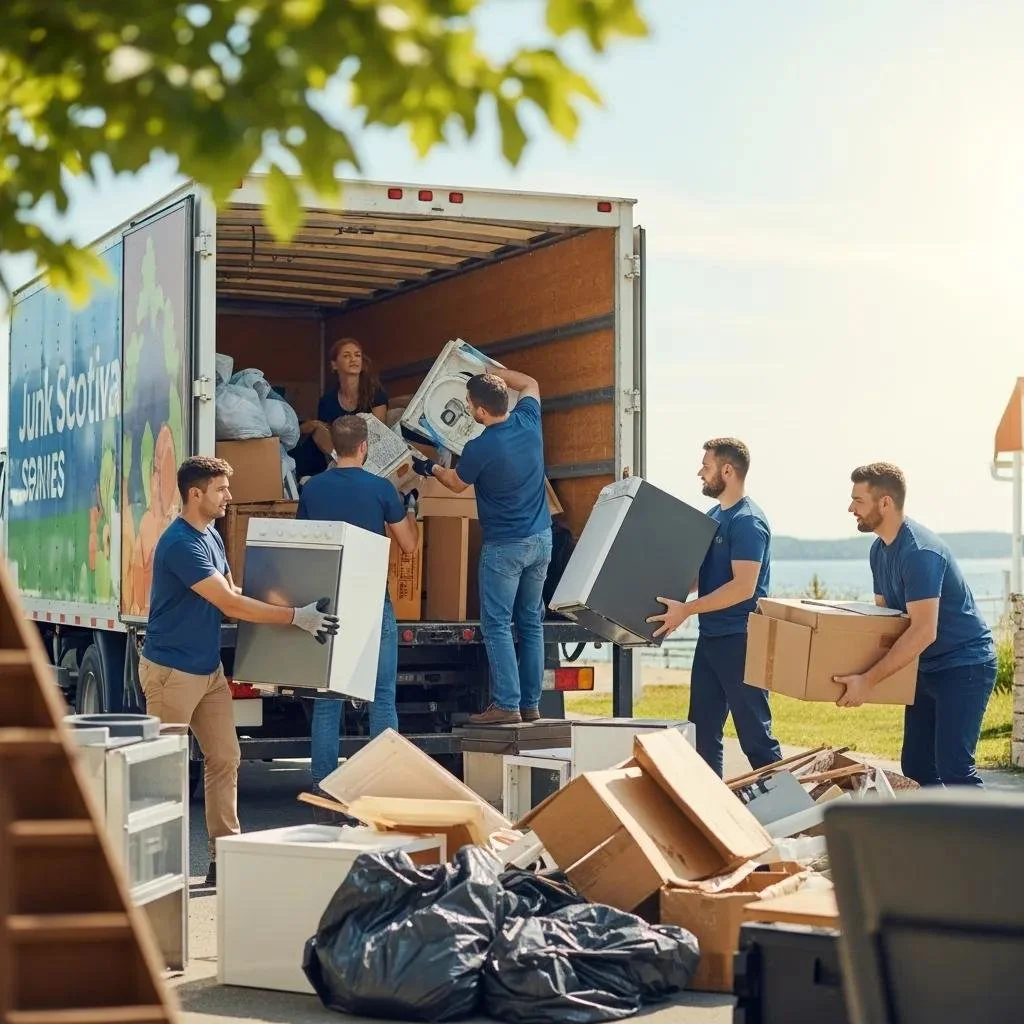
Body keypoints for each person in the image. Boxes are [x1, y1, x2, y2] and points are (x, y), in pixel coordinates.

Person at [140, 456, 340, 886]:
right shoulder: (181, 544)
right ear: (196, 494)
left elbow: (233, 591)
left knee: (226, 759)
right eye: (221, 490)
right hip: (171, 672)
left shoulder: (211, 535)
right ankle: (152, 868)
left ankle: (222, 858)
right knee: (162, 771)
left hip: (207, 670)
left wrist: (289, 602)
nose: (229, 496)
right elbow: (229, 605)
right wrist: (293, 617)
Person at [836, 463, 996, 787]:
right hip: (927, 667)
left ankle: (986, 838)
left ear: (885, 503)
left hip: (964, 665)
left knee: (955, 769)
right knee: (918, 766)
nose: (850, 508)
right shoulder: (878, 551)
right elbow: (887, 623)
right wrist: (853, 675)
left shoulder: (920, 552)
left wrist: (869, 680)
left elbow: (924, 630)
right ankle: (938, 835)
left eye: (858, 500)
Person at [414, 366, 551, 725]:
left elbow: (456, 483)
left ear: (479, 412)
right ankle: (531, 705)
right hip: (541, 540)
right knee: (531, 624)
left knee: (497, 624)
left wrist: (428, 468)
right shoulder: (528, 421)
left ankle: (507, 704)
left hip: (505, 546)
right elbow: (531, 381)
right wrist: (493, 371)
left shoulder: (480, 446)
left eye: (471, 403)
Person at [297, 416, 420, 797]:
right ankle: (382, 785)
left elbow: (304, 542)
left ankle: (323, 787)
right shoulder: (382, 489)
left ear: (335, 448)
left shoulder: (313, 488)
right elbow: (409, 545)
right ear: (365, 447)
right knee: (382, 694)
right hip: (370, 598)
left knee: (329, 698)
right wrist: (410, 510)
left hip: (327, 600)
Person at [647, 438, 782, 777]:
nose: (699, 473)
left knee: (756, 739)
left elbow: (743, 586)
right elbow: (701, 576)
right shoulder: (713, 516)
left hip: (741, 642)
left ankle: (793, 816)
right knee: (702, 734)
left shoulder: (748, 521)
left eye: (705, 467)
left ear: (727, 470)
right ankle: (710, 813)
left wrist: (687, 610)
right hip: (710, 640)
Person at [292, 337, 388, 479]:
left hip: (368, 449)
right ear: (334, 365)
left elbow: (379, 431)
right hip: (339, 451)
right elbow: (328, 433)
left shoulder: (375, 392)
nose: (353, 359)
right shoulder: (328, 400)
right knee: (316, 430)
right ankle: (337, 466)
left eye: (357, 355)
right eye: (346, 355)